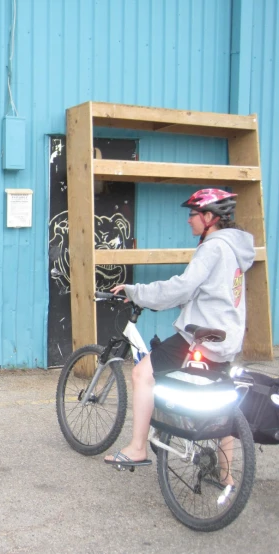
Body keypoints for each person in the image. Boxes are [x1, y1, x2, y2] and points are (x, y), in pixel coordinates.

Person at [104, 189, 255, 490]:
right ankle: (225, 474)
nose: (188, 221)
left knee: (140, 373)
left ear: (209, 217)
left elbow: (182, 288)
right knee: (222, 401)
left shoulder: (213, 247)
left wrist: (137, 292)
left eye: (192, 214)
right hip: (227, 340)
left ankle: (136, 448)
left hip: (201, 337)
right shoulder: (235, 249)